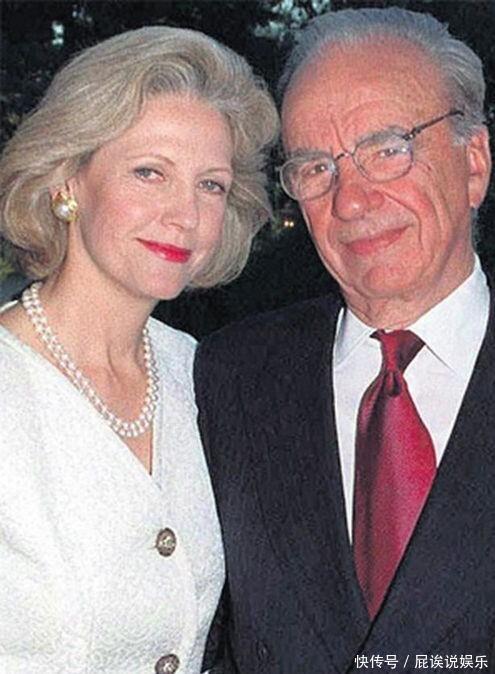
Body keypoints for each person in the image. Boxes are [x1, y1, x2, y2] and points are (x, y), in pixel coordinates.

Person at [195, 7, 494, 673]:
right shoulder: (230, 377)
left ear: (473, 163)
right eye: (315, 168)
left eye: (386, 149)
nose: (350, 201)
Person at [0, 25, 277, 674]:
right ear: (68, 182)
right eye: (150, 172)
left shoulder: (204, 376)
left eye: (210, 185)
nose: (185, 214)